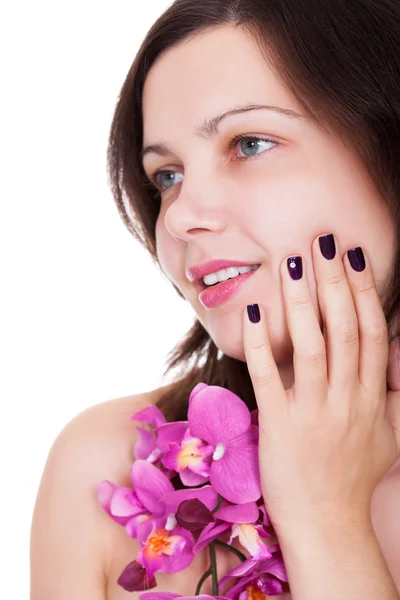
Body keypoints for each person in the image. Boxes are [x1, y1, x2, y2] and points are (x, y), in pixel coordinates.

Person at [30, 1, 400, 598]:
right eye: (167, 176)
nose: (179, 218)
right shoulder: (104, 464)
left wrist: (327, 522)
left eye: (249, 143)